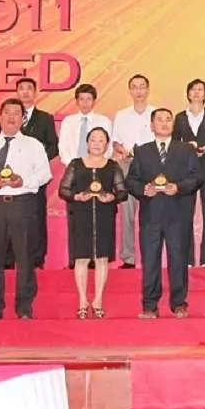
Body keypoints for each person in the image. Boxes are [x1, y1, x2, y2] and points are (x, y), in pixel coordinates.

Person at [0, 98, 52, 319]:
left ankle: (24, 306)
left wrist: (23, 181)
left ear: (23, 119)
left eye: (16, 113)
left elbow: (45, 174)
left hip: (23, 204)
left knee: (25, 257)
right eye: (7, 112)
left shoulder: (34, 145)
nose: (11, 117)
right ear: (0, 116)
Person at [126, 108, 201, 318]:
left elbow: (197, 177)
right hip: (151, 215)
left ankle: (179, 303)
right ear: (152, 126)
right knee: (150, 261)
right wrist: (143, 189)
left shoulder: (186, 149)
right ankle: (150, 305)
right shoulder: (142, 151)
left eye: (168, 119)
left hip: (178, 214)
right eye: (159, 119)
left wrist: (179, 187)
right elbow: (131, 180)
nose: (164, 123)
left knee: (178, 259)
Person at [58, 128, 128, 318]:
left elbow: (123, 192)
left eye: (101, 140)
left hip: (105, 215)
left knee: (102, 259)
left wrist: (112, 197)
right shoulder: (76, 164)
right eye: (93, 140)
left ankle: (98, 300)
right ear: (87, 143)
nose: (97, 143)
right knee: (81, 258)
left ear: (107, 144)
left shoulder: (112, 166)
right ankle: (82, 300)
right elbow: (63, 190)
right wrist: (76, 196)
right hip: (81, 215)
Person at [0, 76, 58, 268]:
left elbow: (53, 146)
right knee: (7, 219)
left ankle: (37, 259)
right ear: (17, 92)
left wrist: (34, 165)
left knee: (36, 218)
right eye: (21, 88)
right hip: (7, 181)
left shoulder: (45, 118)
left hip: (34, 179)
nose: (25, 91)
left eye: (29, 88)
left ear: (35, 92)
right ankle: (8, 259)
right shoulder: (4, 119)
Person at [57, 83, 113, 268]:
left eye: (89, 99)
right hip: (76, 173)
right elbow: (63, 148)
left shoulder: (104, 121)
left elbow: (108, 149)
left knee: (98, 217)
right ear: (76, 101)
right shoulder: (69, 122)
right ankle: (75, 259)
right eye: (81, 99)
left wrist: (96, 165)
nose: (85, 103)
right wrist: (76, 167)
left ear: (94, 101)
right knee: (76, 217)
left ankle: (96, 258)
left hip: (99, 172)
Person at [173, 78, 205, 267]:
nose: (196, 92)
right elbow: (174, 142)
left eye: (200, 89)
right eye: (193, 89)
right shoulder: (180, 117)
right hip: (186, 169)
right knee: (186, 212)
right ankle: (187, 259)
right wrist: (187, 148)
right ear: (188, 93)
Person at [111, 74, 155, 268]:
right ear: (130, 90)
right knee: (126, 213)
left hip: (151, 167)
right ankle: (128, 258)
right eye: (135, 87)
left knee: (151, 214)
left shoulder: (155, 113)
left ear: (148, 89)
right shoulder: (121, 115)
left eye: (142, 86)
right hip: (127, 165)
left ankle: (150, 257)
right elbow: (115, 141)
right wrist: (122, 150)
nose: (139, 91)